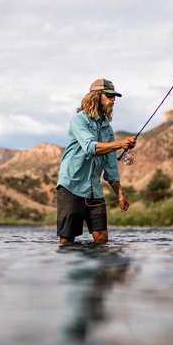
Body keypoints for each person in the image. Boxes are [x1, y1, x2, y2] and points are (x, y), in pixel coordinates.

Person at [56, 78, 136, 244]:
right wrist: (120, 144)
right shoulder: (78, 120)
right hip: (71, 186)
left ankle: (99, 269)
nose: (113, 99)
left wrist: (120, 195)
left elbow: (111, 168)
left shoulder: (107, 128)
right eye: (109, 95)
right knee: (67, 238)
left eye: (114, 96)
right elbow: (91, 148)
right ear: (96, 96)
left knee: (102, 237)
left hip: (94, 190)